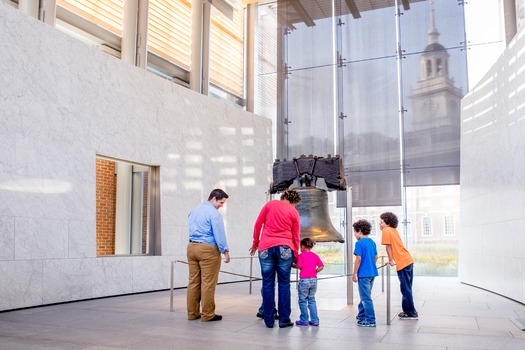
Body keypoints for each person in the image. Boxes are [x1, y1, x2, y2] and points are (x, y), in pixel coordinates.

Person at [249, 189, 302, 328]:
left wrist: (255, 243)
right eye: (295, 204)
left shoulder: (270, 205)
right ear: (293, 201)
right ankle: (284, 320)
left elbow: (257, 225)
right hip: (285, 248)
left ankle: (269, 320)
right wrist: (295, 255)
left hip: (265, 247)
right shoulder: (293, 212)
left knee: (267, 283)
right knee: (284, 283)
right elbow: (296, 236)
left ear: (283, 196)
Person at [187, 189, 231, 322]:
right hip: (208, 250)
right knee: (208, 283)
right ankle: (208, 314)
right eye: (221, 202)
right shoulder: (214, 213)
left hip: (191, 248)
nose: (222, 205)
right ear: (214, 199)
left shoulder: (194, 210)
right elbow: (219, 233)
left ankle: (192, 314)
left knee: (193, 282)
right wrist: (225, 251)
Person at [380, 211, 418, 320]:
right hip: (408, 260)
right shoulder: (393, 230)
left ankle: (411, 312)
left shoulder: (386, 230)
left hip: (402, 262)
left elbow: (388, 246)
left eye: (381, 222)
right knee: (407, 287)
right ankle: (407, 310)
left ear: (387, 223)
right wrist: (391, 259)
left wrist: (391, 260)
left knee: (405, 288)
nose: (380, 224)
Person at [352, 219, 378, 327]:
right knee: (365, 296)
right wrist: (370, 264)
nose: (354, 234)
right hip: (372, 273)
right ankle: (361, 316)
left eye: (354, 231)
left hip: (363, 275)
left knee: (366, 297)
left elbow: (358, 259)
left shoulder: (359, 243)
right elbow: (376, 257)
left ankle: (370, 320)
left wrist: (354, 273)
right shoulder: (372, 242)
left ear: (360, 231)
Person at [294, 238, 324, 327]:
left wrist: (293, 265)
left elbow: (299, 266)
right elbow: (321, 266)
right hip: (313, 280)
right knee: (311, 299)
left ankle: (304, 320)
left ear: (303, 246)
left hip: (304, 280)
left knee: (302, 300)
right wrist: (315, 271)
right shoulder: (315, 255)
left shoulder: (301, 255)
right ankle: (315, 320)